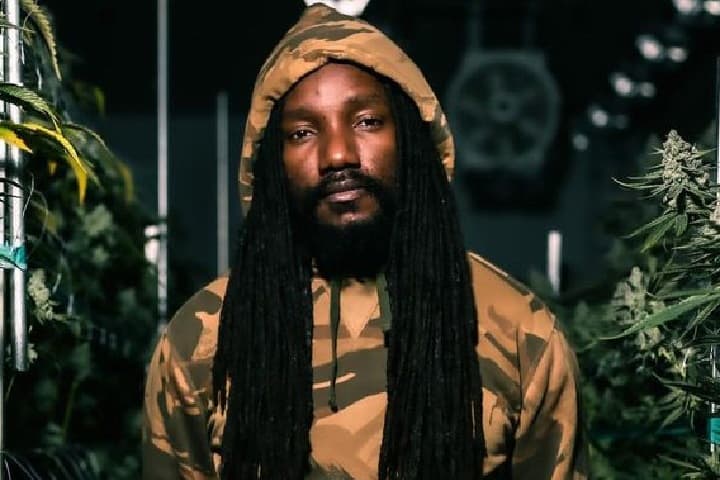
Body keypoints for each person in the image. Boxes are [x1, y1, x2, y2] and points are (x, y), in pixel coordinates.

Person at [142, 4, 587, 479]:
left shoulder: (521, 335)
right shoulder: (200, 342)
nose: (338, 154)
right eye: (302, 132)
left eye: (367, 122)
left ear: (411, 141)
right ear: (271, 165)